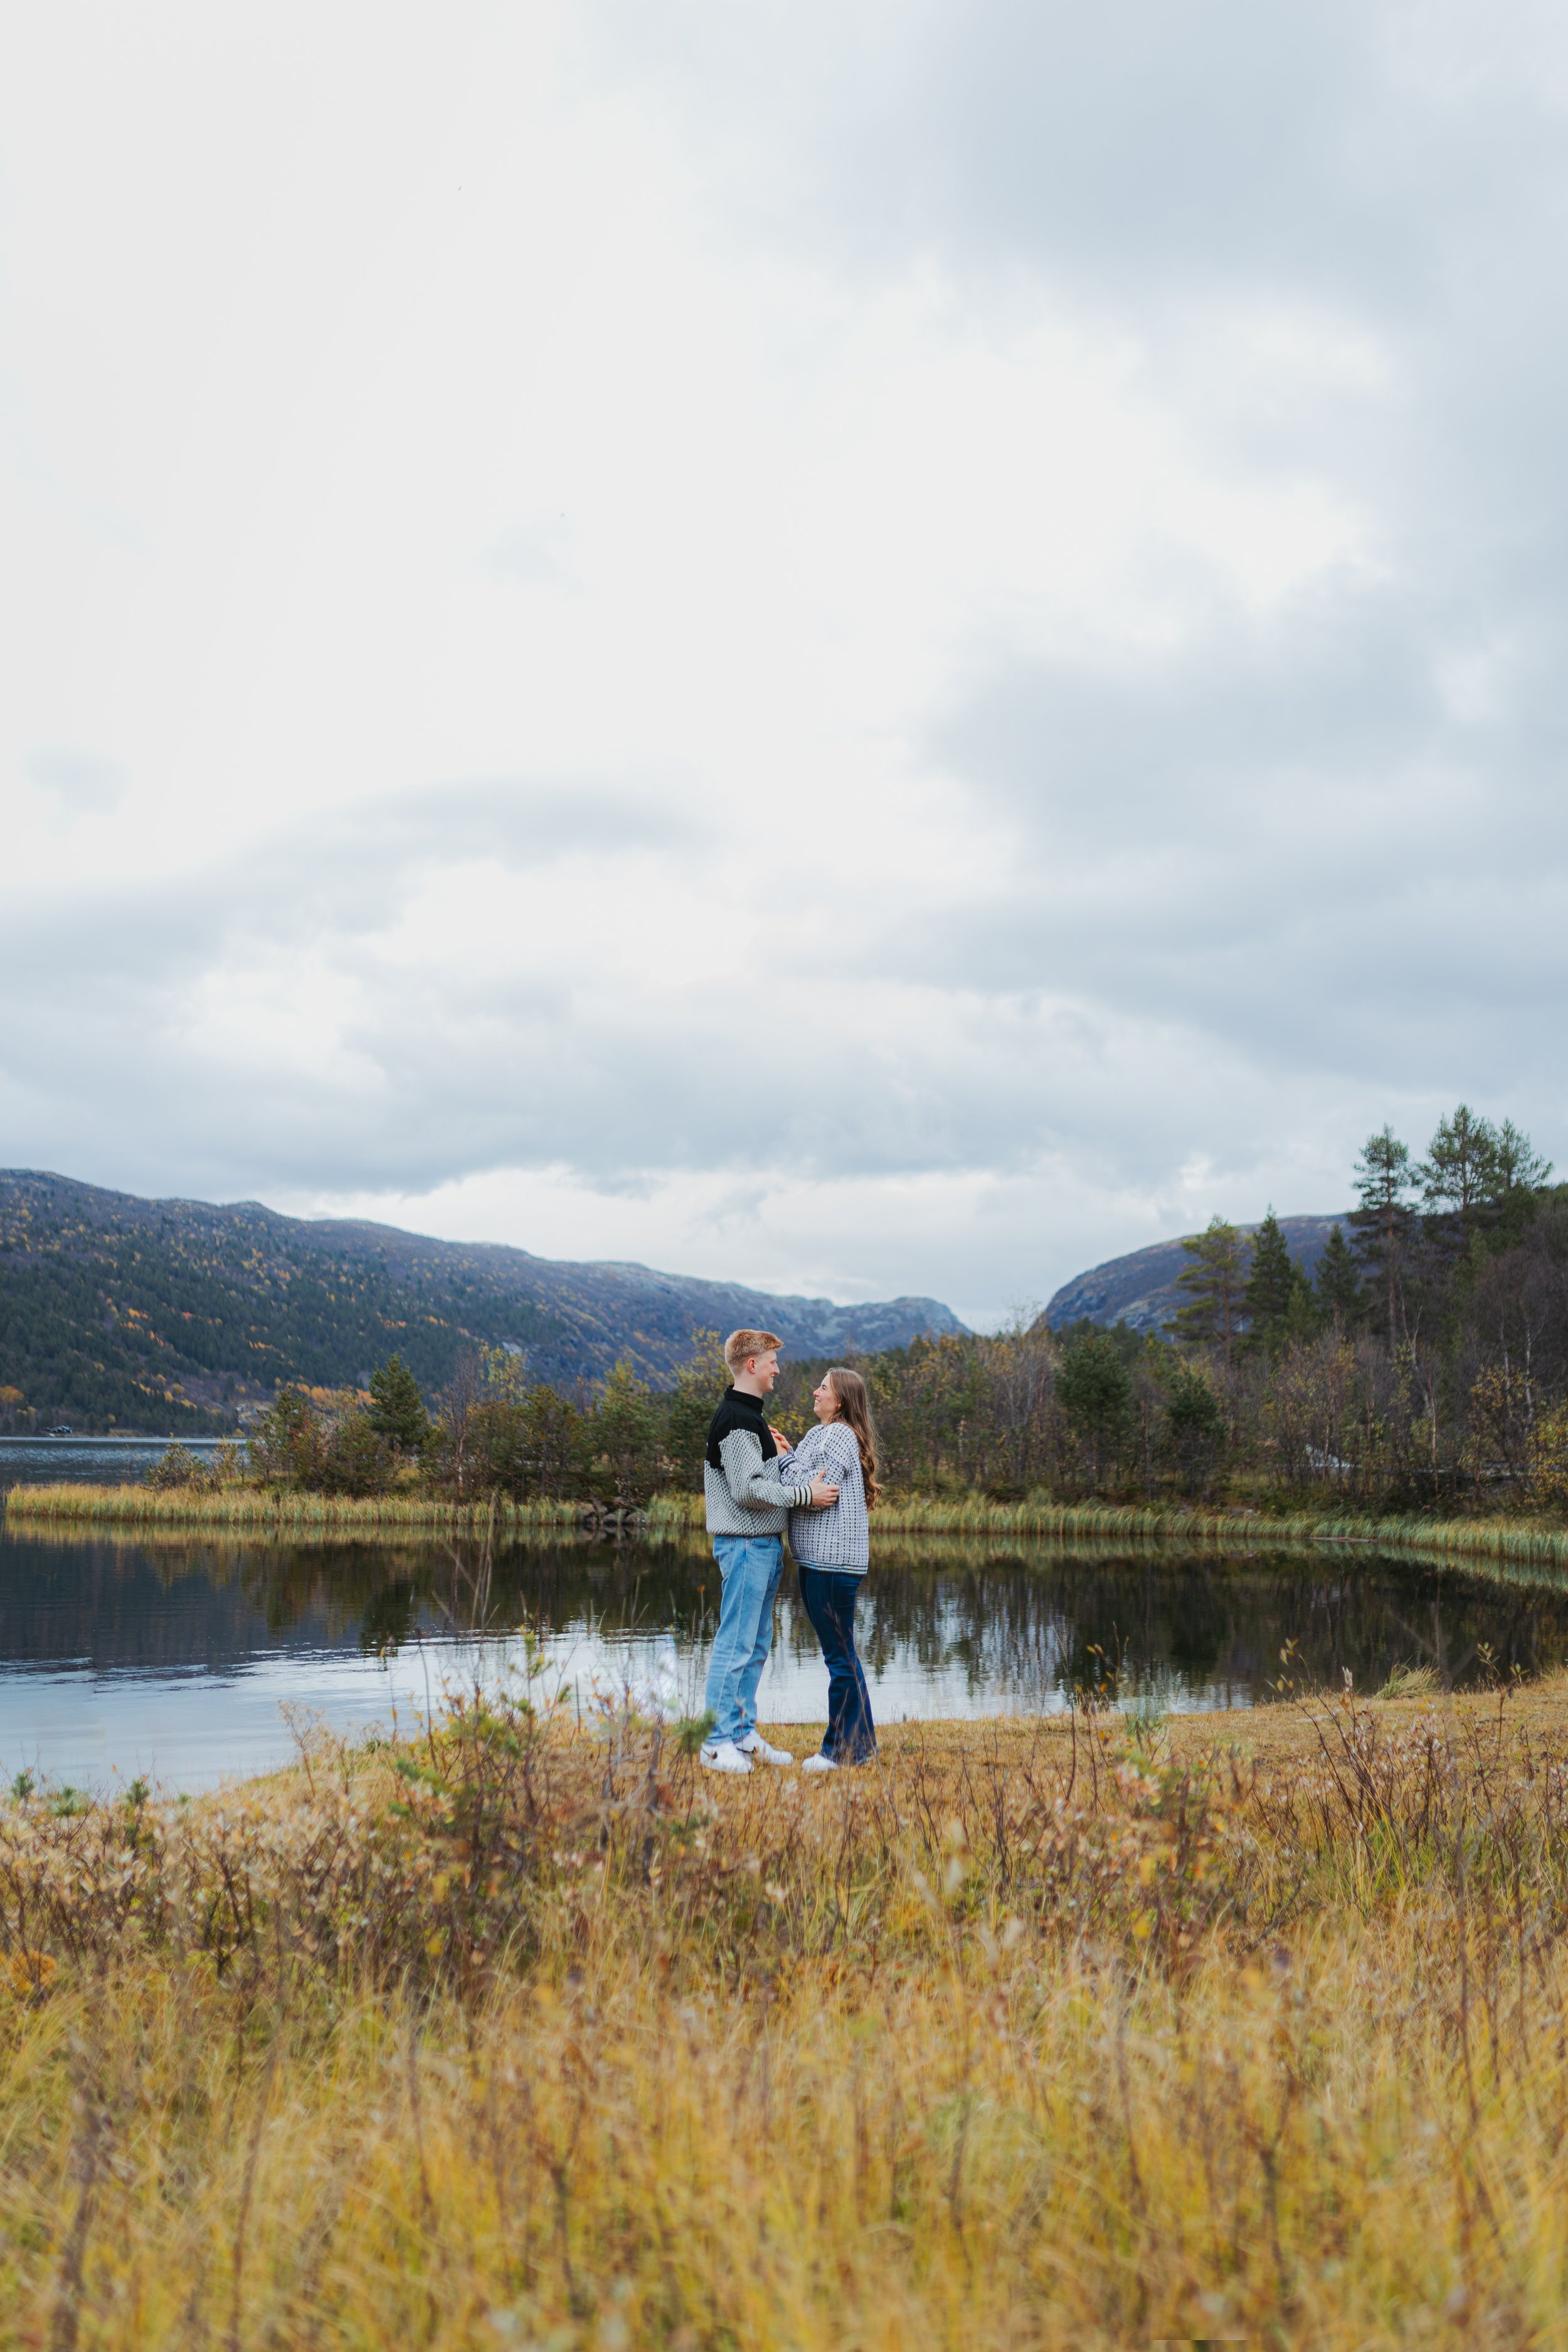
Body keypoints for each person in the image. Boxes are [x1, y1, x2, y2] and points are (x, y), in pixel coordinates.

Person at [701, 1328, 839, 1776]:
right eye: (773, 1360)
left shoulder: (750, 1418)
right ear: (752, 1365)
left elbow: (755, 1477)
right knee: (735, 1643)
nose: (779, 1368)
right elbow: (745, 1491)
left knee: (756, 1644)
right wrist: (804, 1494)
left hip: (760, 1546)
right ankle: (715, 1741)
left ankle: (742, 1731)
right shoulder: (737, 1420)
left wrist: (779, 1459)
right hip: (744, 1546)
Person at [776, 1366, 879, 1772]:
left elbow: (821, 1489)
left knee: (840, 1659)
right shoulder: (819, 1434)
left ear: (840, 1401)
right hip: (819, 1560)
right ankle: (864, 1746)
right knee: (844, 1655)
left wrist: (786, 1463)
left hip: (832, 1564)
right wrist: (792, 1458)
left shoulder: (838, 1435)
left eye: (823, 1387)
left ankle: (838, 1753)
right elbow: (805, 1475)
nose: (815, 1392)